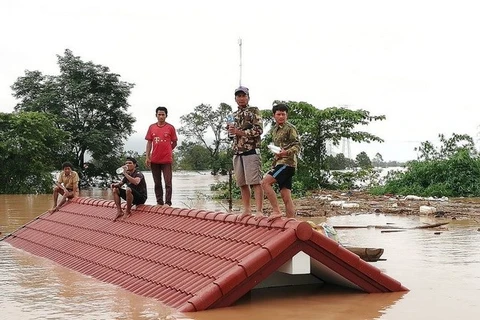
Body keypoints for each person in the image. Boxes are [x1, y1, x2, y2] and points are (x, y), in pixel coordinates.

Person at [228, 86, 264, 220]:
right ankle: (247, 209)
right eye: (239, 96)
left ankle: (259, 210)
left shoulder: (254, 111)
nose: (241, 98)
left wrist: (240, 132)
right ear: (235, 98)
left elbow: (259, 130)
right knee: (242, 183)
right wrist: (231, 131)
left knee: (255, 182)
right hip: (237, 152)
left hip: (251, 150)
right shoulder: (232, 115)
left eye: (244, 96)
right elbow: (230, 135)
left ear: (248, 97)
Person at [261, 103, 301, 221]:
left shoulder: (290, 128)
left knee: (265, 182)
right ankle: (291, 222)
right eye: (279, 114)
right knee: (286, 196)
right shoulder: (274, 131)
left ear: (286, 115)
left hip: (287, 164)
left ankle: (276, 211)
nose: (281, 116)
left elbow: (297, 145)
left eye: (283, 114)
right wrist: (277, 156)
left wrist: (285, 153)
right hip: (280, 163)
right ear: (274, 116)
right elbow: (279, 149)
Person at [145, 106, 178, 206]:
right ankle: (159, 202)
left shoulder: (170, 128)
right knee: (157, 183)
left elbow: (175, 142)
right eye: (159, 114)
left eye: (163, 114)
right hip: (154, 159)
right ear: (156, 115)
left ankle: (168, 203)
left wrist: (168, 149)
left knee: (168, 182)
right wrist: (147, 157)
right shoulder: (152, 127)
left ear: (166, 116)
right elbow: (149, 143)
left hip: (166, 160)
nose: (161, 116)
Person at [111, 157, 147, 221]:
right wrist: (115, 185)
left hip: (140, 197)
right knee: (115, 190)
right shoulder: (127, 175)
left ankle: (128, 211)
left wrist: (125, 173)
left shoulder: (138, 174)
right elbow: (120, 184)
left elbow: (136, 182)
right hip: (131, 195)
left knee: (128, 189)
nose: (127, 165)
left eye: (130, 163)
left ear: (135, 165)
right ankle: (119, 211)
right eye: (126, 163)